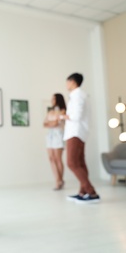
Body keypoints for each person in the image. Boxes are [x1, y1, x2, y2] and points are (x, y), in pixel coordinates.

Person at [61, 73, 100, 204]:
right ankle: (83, 192)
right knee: (80, 163)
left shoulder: (77, 95)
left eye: (67, 82)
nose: (66, 85)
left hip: (75, 132)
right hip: (80, 132)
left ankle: (91, 192)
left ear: (72, 82)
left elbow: (76, 115)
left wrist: (64, 116)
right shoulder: (81, 95)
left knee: (72, 163)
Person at [43, 93, 67, 190]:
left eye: (53, 99)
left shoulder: (63, 111)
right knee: (51, 158)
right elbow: (44, 123)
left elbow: (56, 123)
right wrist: (51, 123)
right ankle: (57, 179)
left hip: (58, 135)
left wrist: (51, 123)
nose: (52, 100)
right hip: (50, 136)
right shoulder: (50, 111)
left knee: (58, 158)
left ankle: (60, 180)